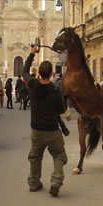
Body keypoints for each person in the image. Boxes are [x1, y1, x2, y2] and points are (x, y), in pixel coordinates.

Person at [23, 45, 67, 197]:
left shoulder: (32, 85)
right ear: (52, 74)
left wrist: (31, 55)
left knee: (35, 156)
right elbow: (61, 110)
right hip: (52, 131)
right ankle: (56, 181)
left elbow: (24, 72)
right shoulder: (55, 92)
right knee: (59, 155)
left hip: (36, 131)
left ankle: (34, 183)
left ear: (39, 74)